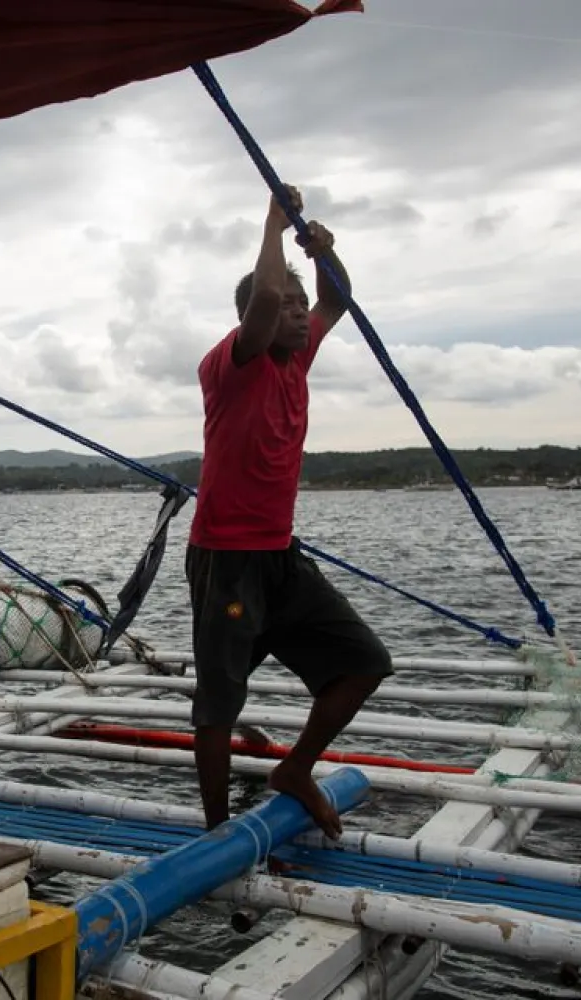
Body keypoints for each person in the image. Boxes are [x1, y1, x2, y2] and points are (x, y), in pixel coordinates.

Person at [187, 185, 393, 836]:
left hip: (278, 556)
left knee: (364, 663)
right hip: (226, 558)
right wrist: (274, 227)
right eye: (289, 307)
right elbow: (268, 296)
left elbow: (339, 298)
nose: (303, 316)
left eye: (303, 308)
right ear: (253, 318)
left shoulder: (294, 357)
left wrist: (325, 254)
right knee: (220, 703)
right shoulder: (232, 363)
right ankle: (218, 829)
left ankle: (295, 768)